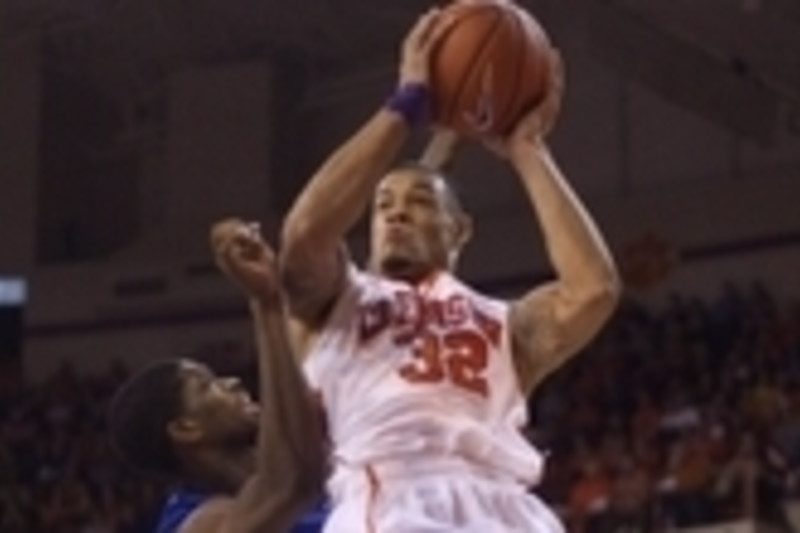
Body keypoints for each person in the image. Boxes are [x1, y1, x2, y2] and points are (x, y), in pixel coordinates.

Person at [278, 6, 621, 532]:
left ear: (460, 229)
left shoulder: (505, 325)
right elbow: (304, 235)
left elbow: (593, 290)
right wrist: (406, 105)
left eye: (418, 201)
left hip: (507, 507)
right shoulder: (336, 301)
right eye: (382, 204)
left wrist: (528, 150)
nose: (395, 210)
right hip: (393, 494)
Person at [108, 219, 328, 533]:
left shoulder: (297, 464)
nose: (232, 382)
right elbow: (291, 485)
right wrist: (266, 302)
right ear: (187, 428)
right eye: (206, 385)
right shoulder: (200, 524)